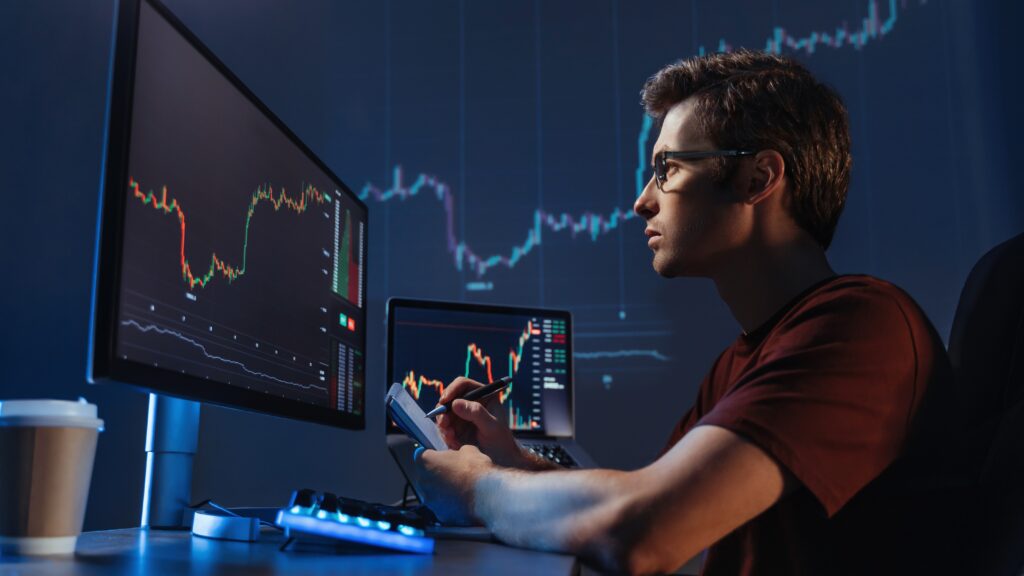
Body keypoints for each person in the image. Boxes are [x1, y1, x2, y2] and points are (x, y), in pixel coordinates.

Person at [413, 50, 965, 575]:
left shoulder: (861, 329)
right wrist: (507, 462)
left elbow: (642, 529)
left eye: (668, 169)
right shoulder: (745, 358)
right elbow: (649, 495)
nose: (642, 200)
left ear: (758, 179)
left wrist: (476, 489)